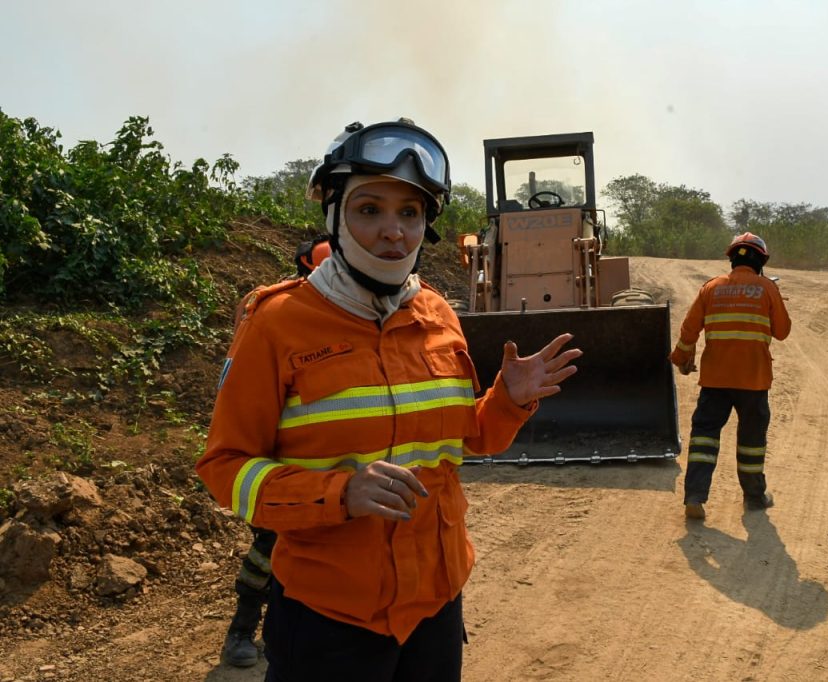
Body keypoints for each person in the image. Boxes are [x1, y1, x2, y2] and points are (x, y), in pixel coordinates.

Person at [196, 117, 582, 681]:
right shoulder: (276, 323)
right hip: (330, 616)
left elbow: (466, 442)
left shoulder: (438, 314)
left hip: (435, 604)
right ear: (335, 214)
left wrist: (506, 401)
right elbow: (225, 468)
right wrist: (339, 494)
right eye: (369, 209)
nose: (393, 231)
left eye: (410, 213)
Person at [219, 236, 332, 668]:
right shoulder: (272, 312)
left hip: (326, 460)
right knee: (270, 546)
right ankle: (241, 630)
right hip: (282, 460)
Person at [670, 232, 791, 520]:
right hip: (754, 378)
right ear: (761, 260)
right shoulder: (766, 288)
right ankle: (754, 498)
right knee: (751, 439)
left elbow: (689, 330)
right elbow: (783, 332)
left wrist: (681, 359)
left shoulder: (711, 288)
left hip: (715, 380)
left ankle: (695, 497)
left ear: (731, 258)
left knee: (704, 437)